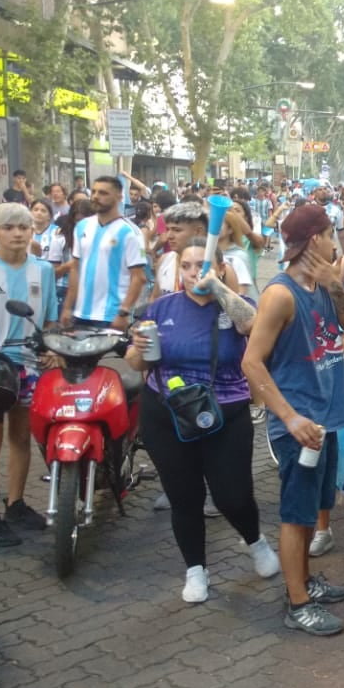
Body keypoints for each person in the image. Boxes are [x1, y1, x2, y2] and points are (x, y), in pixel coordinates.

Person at [126, 238, 279, 601]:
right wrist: (140, 349)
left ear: (221, 267)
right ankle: (196, 570)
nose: (195, 272)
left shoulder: (234, 305)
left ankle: (255, 540)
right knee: (185, 497)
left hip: (226, 415)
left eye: (203, 265)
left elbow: (251, 326)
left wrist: (218, 287)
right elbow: (136, 363)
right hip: (167, 413)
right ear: (178, 270)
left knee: (233, 496)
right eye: (188, 266)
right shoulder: (160, 308)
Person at [241, 204, 344, 636]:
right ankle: (297, 603)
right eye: (331, 235)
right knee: (296, 515)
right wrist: (290, 418)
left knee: (312, 509)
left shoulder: (321, 287)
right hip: (300, 425)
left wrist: (335, 287)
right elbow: (252, 363)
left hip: (326, 418)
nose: (336, 243)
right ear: (315, 240)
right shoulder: (280, 294)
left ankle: (306, 581)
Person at [0, 204, 58, 545]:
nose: (17, 233)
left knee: (20, 438)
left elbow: (49, 320)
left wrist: (50, 350)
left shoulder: (44, 271)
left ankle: (16, 503)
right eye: (8, 227)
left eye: (23, 227)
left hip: (29, 366)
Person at [61, 176, 148, 331]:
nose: (95, 196)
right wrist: (68, 307)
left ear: (119, 197)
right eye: (93, 191)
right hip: (81, 314)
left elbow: (138, 277)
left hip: (111, 317)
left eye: (103, 193)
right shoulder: (82, 226)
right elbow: (75, 268)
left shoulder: (130, 232)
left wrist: (123, 313)